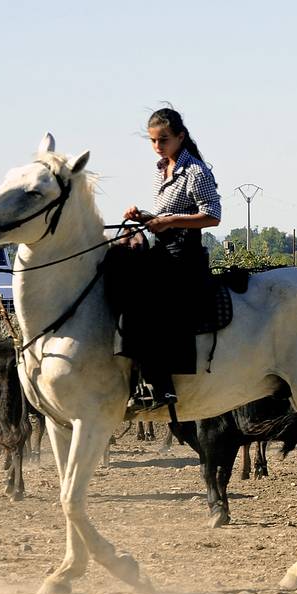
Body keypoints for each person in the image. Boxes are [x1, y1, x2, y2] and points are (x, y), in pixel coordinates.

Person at [116, 108, 222, 411]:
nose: (158, 146)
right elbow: (166, 218)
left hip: (184, 258)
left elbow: (212, 216)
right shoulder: (161, 168)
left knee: (149, 303)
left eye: (163, 140)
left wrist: (170, 220)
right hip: (163, 251)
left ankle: (161, 386)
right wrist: (146, 217)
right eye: (152, 141)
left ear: (180, 137)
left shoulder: (196, 171)